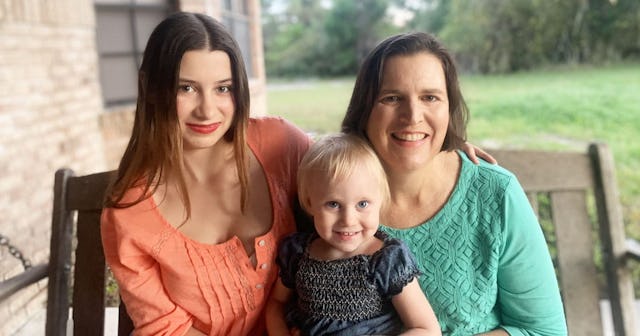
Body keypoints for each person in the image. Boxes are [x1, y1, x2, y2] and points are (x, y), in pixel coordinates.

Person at [341, 31, 568, 335]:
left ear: (449, 108)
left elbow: (544, 331)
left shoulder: (495, 194)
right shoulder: (330, 190)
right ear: (364, 109)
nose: (412, 116)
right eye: (392, 98)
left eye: (430, 97)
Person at [101, 12, 311, 335]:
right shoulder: (131, 209)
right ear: (150, 86)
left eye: (223, 89)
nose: (207, 110)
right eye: (186, 88)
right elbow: (166, 328)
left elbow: (353, 189)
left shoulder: (281, 145)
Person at [266, 134, 442, 336]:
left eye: (362, 204)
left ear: (381, 201)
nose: (348, 219)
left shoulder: (386, 261)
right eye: (333, 204)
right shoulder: (297, 253)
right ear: (309, 202)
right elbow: (276, 304)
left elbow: (426, 329)